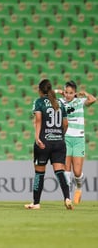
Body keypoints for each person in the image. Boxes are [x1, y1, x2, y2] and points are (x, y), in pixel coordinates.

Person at [25, 79, 73, 210]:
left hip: (44, 142)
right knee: (60, 172)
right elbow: (66, 123)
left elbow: (38, 120)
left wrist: (37, 138)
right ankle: (67, 198)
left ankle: (36, 203)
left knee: (39, 173)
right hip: (59, 142)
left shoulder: (39, 102)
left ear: (40, 90)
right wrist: (60, 136)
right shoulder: (59, 103)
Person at [55, 80, 96, 204]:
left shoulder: (79, 102)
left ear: (75, 93)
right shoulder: (60, 101)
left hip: (78, 139)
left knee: (77, 172)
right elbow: (47, 94)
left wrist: (86, 93)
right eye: (66, 92)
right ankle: (67, 198)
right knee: (66, 169)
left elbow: (93, 99)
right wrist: (58, 91)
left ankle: (79, 188)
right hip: (66, 138)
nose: (68, 95)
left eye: (71, 93)